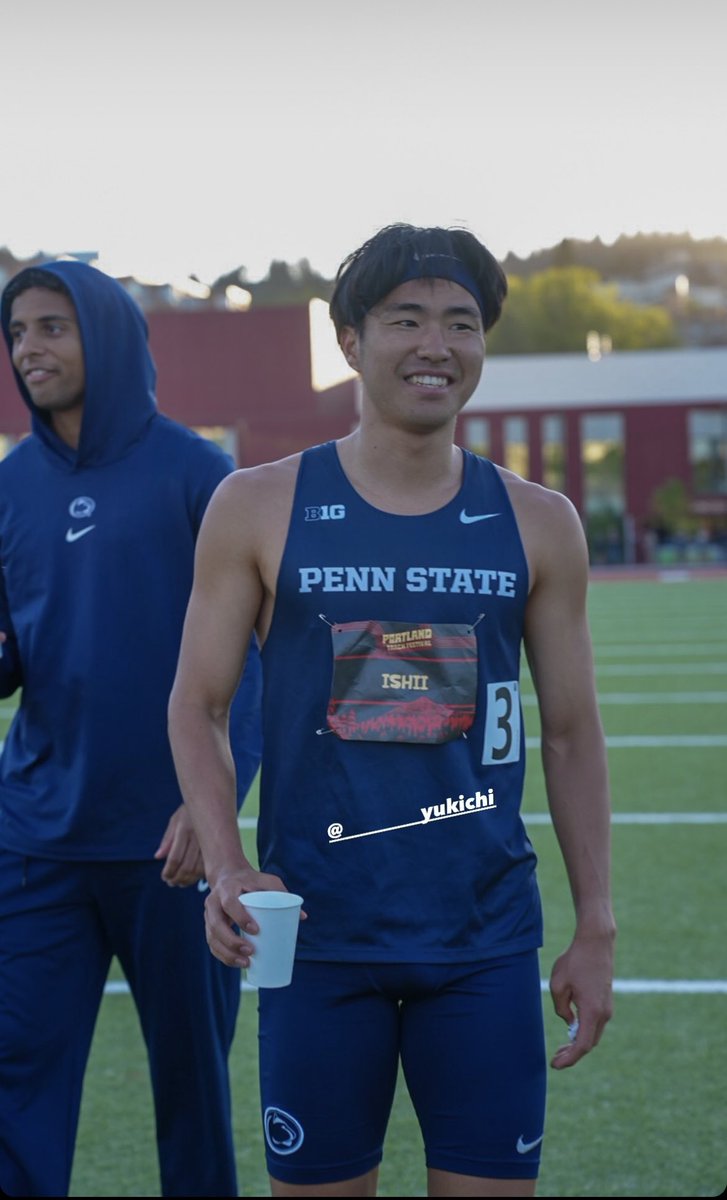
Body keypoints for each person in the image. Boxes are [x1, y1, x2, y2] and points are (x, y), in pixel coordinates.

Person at [168, 223, 616, 1198]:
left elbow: (574, 733)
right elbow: (196, 708)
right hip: (319, 942)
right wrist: (229, 863)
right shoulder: (256, 506)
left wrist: (596, 926)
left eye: (461, 323)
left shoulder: (539, 522)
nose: (435, 345)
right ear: (349, 340)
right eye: (405, 319)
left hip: (484, 944)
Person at [0, 261, 263, 1198]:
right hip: (35, 842)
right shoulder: (10, 485)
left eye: (52, 328)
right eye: (19, 331)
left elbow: (258, 668)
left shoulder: (198, 475)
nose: (30, 349)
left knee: (193, 1094)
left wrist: (212, 807)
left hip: (173, 848)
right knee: (15, 1086)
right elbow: (15, 655)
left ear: (105, 336)